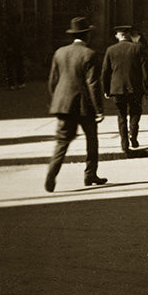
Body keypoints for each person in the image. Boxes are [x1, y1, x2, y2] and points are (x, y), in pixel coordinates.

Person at [44, 17, 106, 191]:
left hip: (64, 105)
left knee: (62, 141)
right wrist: (99, 109)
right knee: (92, 140)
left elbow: (53, 81)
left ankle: (51, 173)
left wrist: (58, 101)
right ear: (87, 35)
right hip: (84, 106)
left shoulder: (59, 52)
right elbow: (92, 83)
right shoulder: (89, 54)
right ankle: (90, 174)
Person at [102, 24, 148, 155]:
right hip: (135, 87)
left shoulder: (110, 50)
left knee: (121, 116)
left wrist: (106, 89)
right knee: (135, 112)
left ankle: (124, 144)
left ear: (117, 36)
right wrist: (147, 86)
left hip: (117, 88)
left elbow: (105, 72)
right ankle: (133, 136)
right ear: (128, 34)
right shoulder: (138, 48)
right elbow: (145, 70)